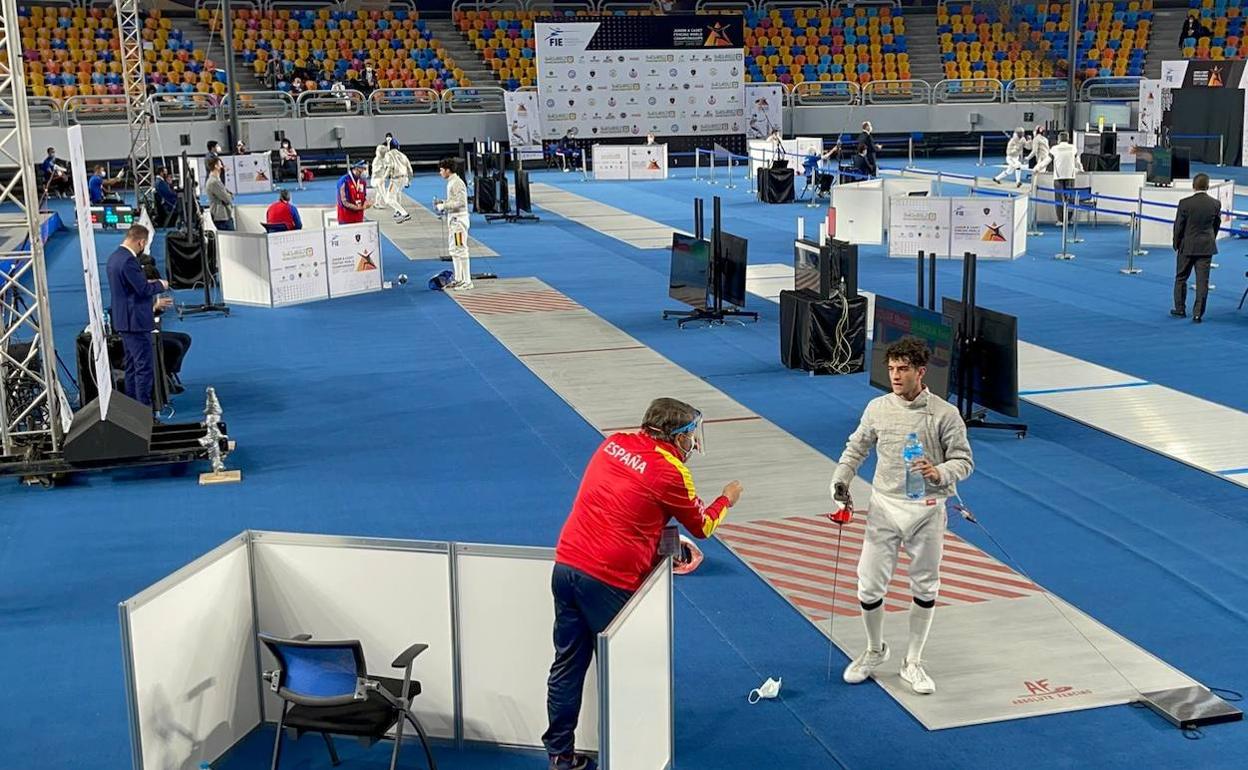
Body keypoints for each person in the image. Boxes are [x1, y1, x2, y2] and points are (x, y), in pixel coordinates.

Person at [542, 397, 743, 770]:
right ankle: (630, 756)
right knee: (625, 668)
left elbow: (624, 504)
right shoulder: (671, 472)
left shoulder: (613, 443)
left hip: (567, 563)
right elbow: (703, 526)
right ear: (672, 436)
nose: (692, 444)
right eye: (688, 436)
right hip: (609, 579)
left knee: (567, 666)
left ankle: (559, 755)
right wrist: (726, 499)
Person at [831, 336, 974, 695]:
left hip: (927, 510)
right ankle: (875, 649)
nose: (895, 375)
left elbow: (965, 461)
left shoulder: (944, 414)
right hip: (884, 506)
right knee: (868, 584)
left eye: (903, 369)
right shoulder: (878, 408)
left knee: (925, 585)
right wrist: (841, 478)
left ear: (920, 372)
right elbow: (857, 446)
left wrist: (940, 472)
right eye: (892, 368)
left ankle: (913, 661)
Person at [105, 224, 170, 411]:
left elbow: (130, 286)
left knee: (132, 366)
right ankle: (144, 410)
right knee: (143, 368)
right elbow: (142, 290)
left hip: (124, 319)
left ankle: (134, 408)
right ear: (141, 242)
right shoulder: (128, 261)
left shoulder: (114, 258)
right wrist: (160, 285)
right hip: (135, 322)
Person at [1171, 172, 1221, 323]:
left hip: (1187, 246)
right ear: (1208, 186)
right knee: (1202, 282)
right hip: (1206, 247)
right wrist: (1210, 239)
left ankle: (1180, 309)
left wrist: (1176, 243)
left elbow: (1179, 226)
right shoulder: (1215, 203)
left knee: (1181, 278)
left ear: (1193, 186)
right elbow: (1216, 226)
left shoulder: (1184, 203)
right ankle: (1198, 314)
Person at [435, 157, 472, 289]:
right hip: (453, 220)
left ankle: (467, 281)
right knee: (454, 250)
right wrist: (444, 203)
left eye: (441, 170)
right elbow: (454, 200)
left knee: (461, 249)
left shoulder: (457, 182)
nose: (440, 173)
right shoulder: (451, 182)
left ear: (447, 170)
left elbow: (461, 202)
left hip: (459, 221)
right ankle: (458, 278)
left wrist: (444, 206)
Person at [372, 138, 412, 223]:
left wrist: (384, 178)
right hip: (404, 178)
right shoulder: (403, 155)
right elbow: (410, 170)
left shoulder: (389, 154)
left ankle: (404, 213)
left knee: (388, 199)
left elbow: (390, 166)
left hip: (396, 179)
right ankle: (398, 212)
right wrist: (409, 181)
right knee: (397, 194)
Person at [1049, 132, 1083, 224]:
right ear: (1068, 139)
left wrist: (1038, 168)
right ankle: (1069, 219)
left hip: (1058, 177)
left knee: (1059, 198)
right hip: (1070, 176)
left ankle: (1060, 220)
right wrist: (1081, 169)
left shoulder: (1054, 149)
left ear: (1059, 139)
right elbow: (1078, 161)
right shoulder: (1073, 148)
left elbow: (1047, 161)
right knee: (1070, 198)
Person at [336, 160, 370, 225]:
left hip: (359, 218)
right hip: (346, 218)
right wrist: (357, 208)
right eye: (363, 169)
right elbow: (343, 202)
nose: (365, 171)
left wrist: (366, 203)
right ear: (357, 168)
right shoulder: (344, 181)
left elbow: (364, 197)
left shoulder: (363, 182)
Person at [205, 158, 235, 231]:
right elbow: (227, 199)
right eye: (220, 164)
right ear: (216, 166)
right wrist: (230, 196)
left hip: (222, 216)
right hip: (222, 217)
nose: (222, 166)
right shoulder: (214, 182)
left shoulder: (215, 180)